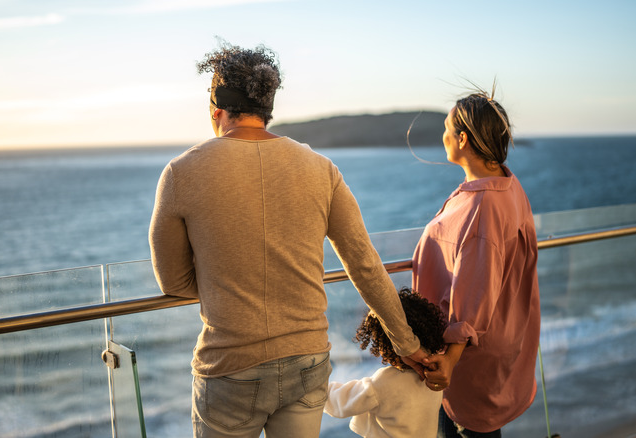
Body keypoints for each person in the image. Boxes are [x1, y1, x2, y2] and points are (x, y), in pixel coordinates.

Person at [148, 41, 428, 438]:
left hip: (231, 365)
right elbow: (365, 265)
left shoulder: (182, 172)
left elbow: (171, 282)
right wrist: (407, 344)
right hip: (308, 360)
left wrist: (227, 283)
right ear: (267, 112)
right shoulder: (321, 168)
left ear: (216, 113)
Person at [411, 87, 541, 437]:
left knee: (467, 430)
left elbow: (475, 292)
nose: (443, 137)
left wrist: (450, 359)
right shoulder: (507, 185)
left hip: (465, 362)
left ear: (463, 138)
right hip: (497, 343)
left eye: (446, 129)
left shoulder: (483, 205)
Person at [324, 287, 447, 438]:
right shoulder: (435, 375)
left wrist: (317, 388)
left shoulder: (385, 382)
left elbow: (342, 402)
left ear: (385, 345)